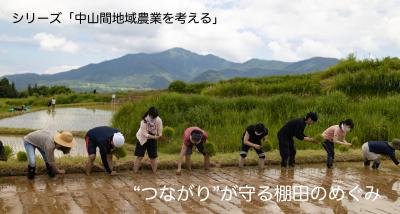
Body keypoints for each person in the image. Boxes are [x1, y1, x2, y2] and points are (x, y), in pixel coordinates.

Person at [134, 107, 163, 173]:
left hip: (153, 138)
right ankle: (135, 173)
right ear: (149, 114)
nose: (153, 119)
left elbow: (160, 130)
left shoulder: (158, 120)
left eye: (155, 117)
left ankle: (154, 173)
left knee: (153, 156)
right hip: (142, 138)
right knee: (139, 156)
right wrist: (154, 137)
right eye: (152, 117)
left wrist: (160, 136)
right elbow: (144, 134)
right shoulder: (144, 120)